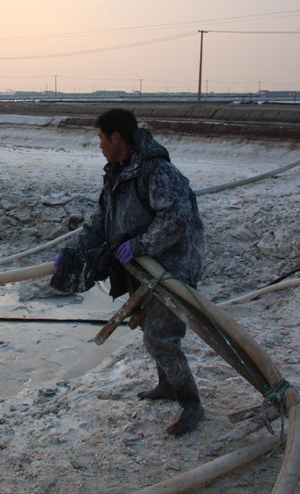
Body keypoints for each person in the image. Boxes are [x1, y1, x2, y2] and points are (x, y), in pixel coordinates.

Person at [51, 108, 206, 434]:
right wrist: (72, 251)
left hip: (172, 267)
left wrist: (140, 245)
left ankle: (190, 403)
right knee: (150, 328)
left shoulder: (157, 171)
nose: (99, 145)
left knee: (161, 336)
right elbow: (99, 222)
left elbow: (176, 217)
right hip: (141, 267)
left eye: (100, 138)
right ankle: (167, 385)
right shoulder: (116, 174)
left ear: (116, 137)